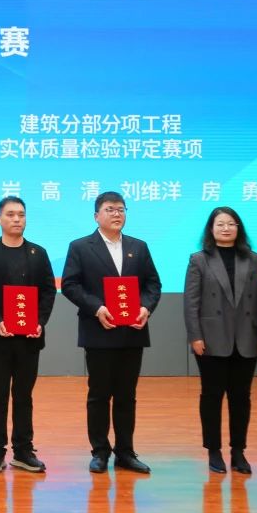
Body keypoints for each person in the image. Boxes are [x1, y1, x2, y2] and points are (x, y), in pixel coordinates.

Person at [61, 191, 161, 474]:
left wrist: (146, 308)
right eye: (110, 209)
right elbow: (70, 285)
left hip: (132, 331)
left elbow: (153, 284)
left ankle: (125, 452)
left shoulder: (138, 247)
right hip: (99, 330)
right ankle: (100, 451)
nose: (117, 214)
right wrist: (97, 308)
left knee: (127, 395)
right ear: (96, 216)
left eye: (121, 209)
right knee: (99, 394)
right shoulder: (81, 247)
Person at [0, 196, 56, 474]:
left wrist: (40, 321)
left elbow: (48, 291)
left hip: (29, 338)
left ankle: (23, 450)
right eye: (10, 214)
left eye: (21, 214)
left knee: (23, 396)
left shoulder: (38, 253)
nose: (16, 219)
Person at [183, 206, 257, 475]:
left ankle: (238, 451)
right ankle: (214, 450)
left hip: (246, 337)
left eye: (231, 224)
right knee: (212, 396)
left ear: (238, 228)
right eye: (220, 224)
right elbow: (191, 303)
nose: (226, 228)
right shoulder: (199, 260)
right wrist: (195, 336)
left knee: (241, 397)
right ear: (211, 229)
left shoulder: (253, 259)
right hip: (211, 339)